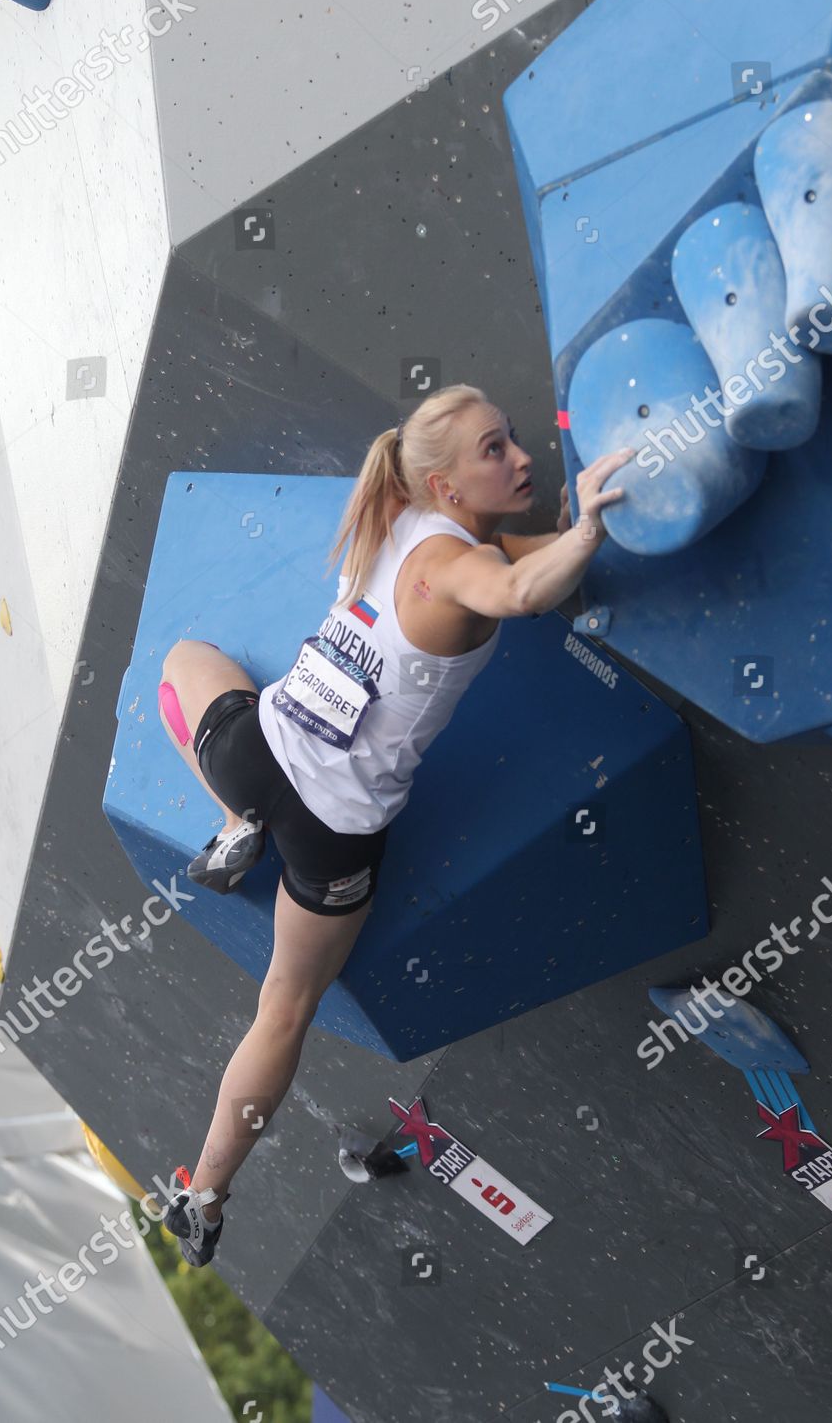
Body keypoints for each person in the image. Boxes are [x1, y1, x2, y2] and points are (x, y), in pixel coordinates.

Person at [158, 383, 633, 1264]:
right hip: (332, 836)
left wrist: (560, 537)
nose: (522, 457)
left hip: (256, 758)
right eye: (495, 450)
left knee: (184, 667)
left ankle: (232, 824)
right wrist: (588, 532)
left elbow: (511, 561)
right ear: (445, 487)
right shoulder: (459, 570)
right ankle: (207, 1194)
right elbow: (523, 588)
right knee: (286, 1006)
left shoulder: (390, 506)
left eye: (515, 440)